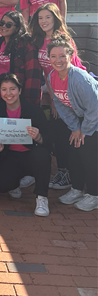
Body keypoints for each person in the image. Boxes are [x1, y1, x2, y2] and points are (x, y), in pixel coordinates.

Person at [28, 3, 86, 190]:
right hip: (53, 92)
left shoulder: (63, 38)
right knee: (56, 131)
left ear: (56, 18)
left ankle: (70, 173)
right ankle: (63, 170)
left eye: (48, 17)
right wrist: (52, 97)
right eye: (40, 18)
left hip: (70, 92)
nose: (44, 21)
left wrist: (58, 100)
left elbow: (68, 70)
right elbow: (47, 72)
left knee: (66, 131)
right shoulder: (39, 39)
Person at [47, 35, 98, 211]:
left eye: (62, 56)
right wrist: (75, 128)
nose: (58, 60)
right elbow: (61, 105)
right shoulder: (52, 76)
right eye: (53, 56)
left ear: (70, 56)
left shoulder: (79, 78)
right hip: (80, 120)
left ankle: (94, 194)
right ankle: (77, 189)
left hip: (94, 118)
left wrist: (84, 130)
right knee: (74, 151)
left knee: (89, 154)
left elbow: (94, 108)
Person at [0, 74, 52, 217]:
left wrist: (39, 137)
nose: (8, 93)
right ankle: (16, 183)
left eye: (12, 89)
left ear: (19, 90)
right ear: (0, 92)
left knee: (42, 156)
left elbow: (49, 140)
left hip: (32, 154)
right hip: (11, 155)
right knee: (0, 184)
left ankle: (42, 197)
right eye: (4, 89)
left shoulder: (33, 110)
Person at [0, 11, 42, 108]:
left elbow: (33, 73)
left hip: (17, 98)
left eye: (9, 25)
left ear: (18, 27)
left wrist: (29, 104)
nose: (4, 26)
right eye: (2, 23)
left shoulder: (26, 44)